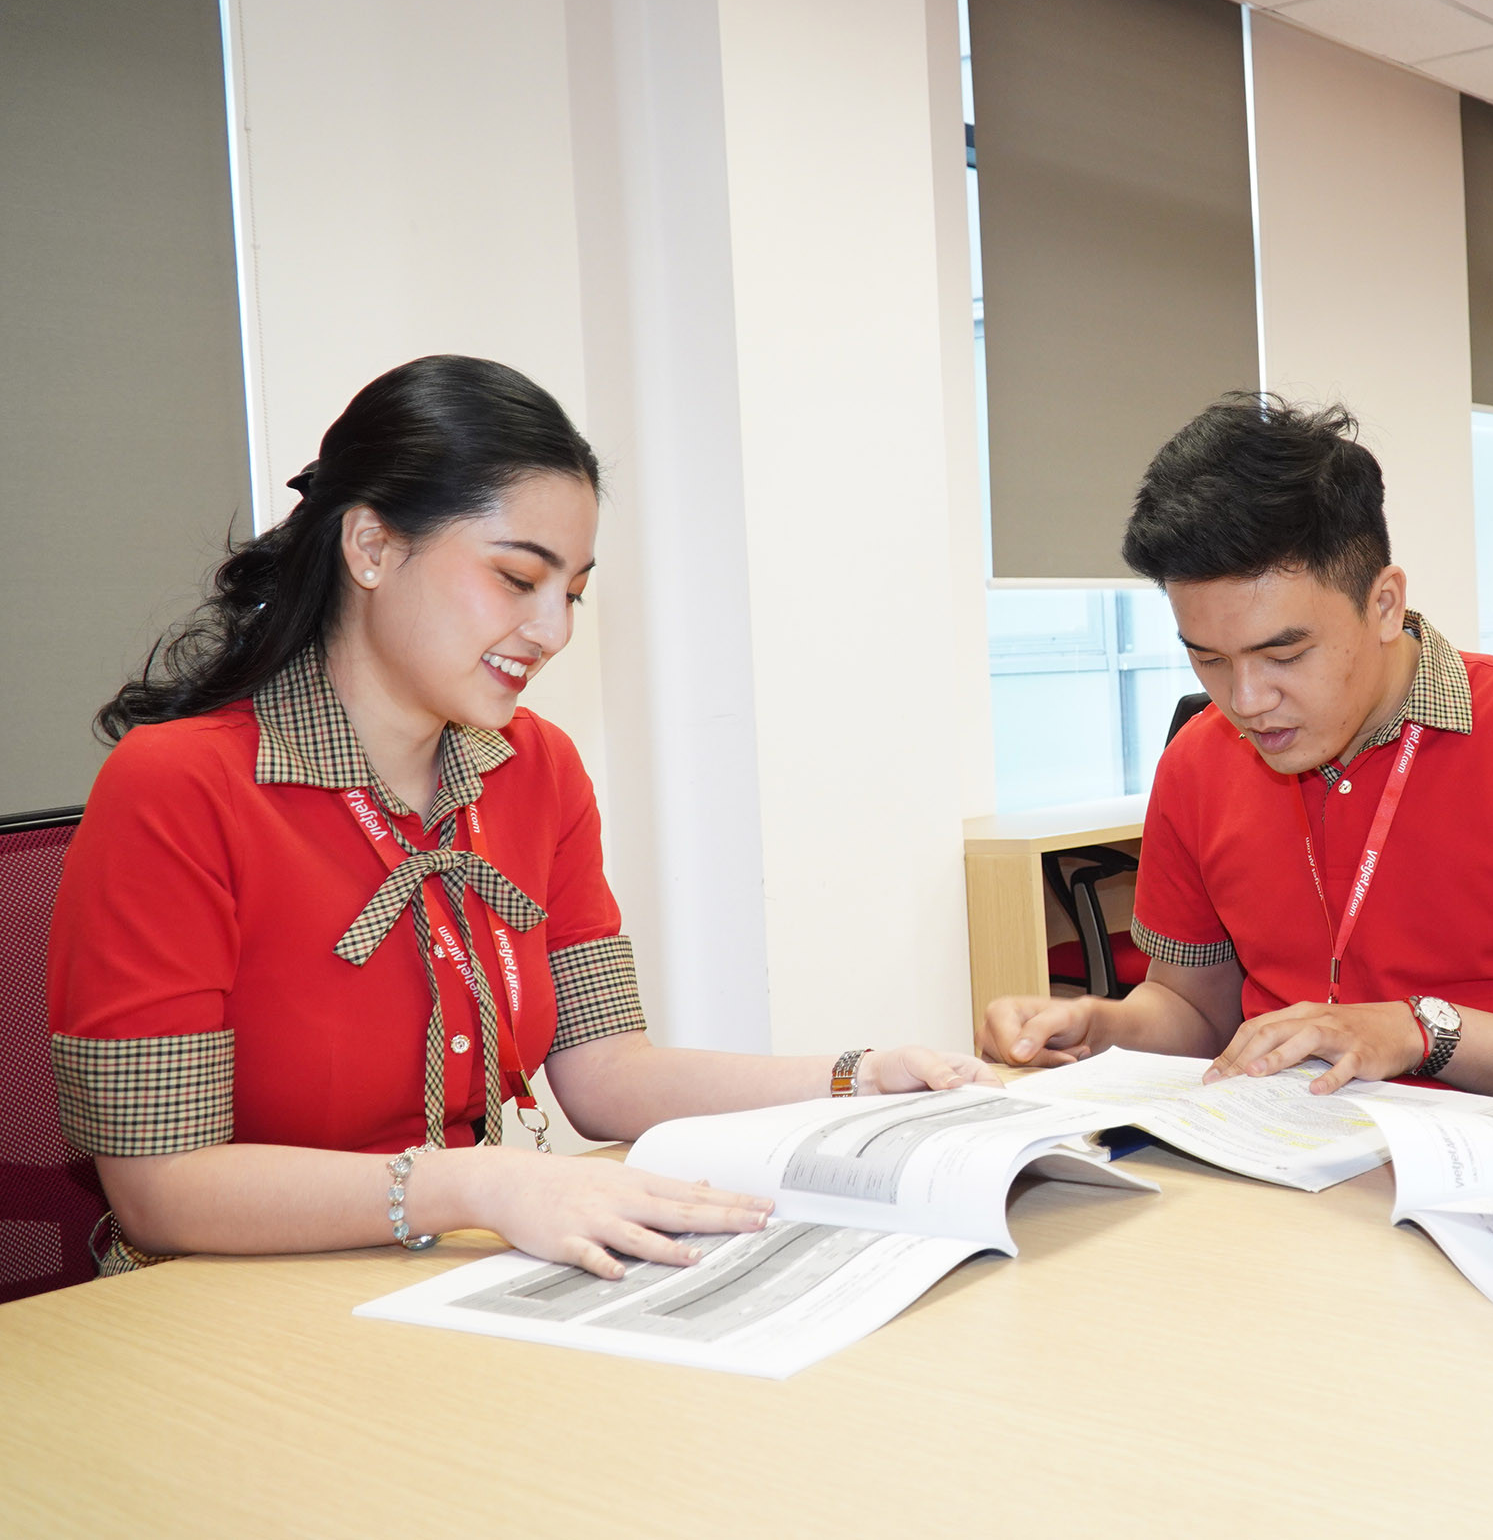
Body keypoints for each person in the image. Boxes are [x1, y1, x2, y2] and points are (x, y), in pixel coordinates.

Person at [48, 355, 991, 1281]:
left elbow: (607, 1071)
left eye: (571, 593)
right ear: (370, 546)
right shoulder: (179, 785)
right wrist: (477, 1184)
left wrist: (854, 1079)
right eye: (516, 578)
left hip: (445, 1272)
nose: (554, 631)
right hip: (221, 1299)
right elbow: (158, 1191)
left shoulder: (536, 766)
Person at [978, 395, 1493, 1119]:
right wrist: (1098, 1027)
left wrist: (1421, 1032)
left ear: (1384, 604)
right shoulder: (1197, 764)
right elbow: (1192, 1011)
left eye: (1285, 654)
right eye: (1209, 659)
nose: (1247, 700)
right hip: (1285, 1152)